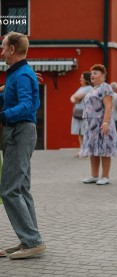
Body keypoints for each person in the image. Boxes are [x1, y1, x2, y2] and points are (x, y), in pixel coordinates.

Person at [0, 31, 46, 259]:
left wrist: (3, 116)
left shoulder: (23, 75)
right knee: (21, 189)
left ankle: (32, 241)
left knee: (9, 190)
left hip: (19, 132)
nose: (1, 51)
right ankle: (29, 239)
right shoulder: (19, 74)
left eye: (3, 47)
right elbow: (18, 99)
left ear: (12, 49)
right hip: (20, 132)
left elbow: (28, 105)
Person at [80, 64, 117, 185]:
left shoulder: (105, 87)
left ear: (103, 75)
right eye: (92, 73)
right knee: (93, 149)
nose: (92, 75)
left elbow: (108, 105)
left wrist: (105, 122)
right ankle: (94, 175)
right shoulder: (92, 89)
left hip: (101, 122)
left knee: (104, 149)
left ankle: (105, 176)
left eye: (95, 73)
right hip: (91, 124)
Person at [70, 71, 92, 157]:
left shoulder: (89, 88)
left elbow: (76, 97)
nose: (80, 79)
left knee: (85, 132)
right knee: (80, 132)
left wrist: (75, 98)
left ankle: (86, 150)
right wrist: (75, 98)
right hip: (78, 112)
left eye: (82, 78)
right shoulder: (80, 88)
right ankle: (82, 150)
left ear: (86, 79)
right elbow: (73, 98)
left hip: (85, 113)